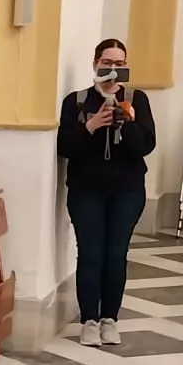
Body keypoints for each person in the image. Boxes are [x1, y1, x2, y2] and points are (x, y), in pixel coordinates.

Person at [58, 38, 156, 348]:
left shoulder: (136, 99)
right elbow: (64, 146)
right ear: (95, 64)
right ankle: (89, 320)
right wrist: (90, 126)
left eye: (119, 64)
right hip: (86, 189)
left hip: (127, 190)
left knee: (116, 255)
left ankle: (109, 319)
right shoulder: (76, 101)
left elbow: (146, 145)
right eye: (107, 63)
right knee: (91, 254)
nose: (113, 69)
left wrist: (126, 124)